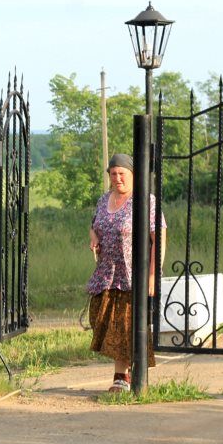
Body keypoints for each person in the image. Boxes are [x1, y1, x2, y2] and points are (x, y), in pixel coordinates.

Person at [87, 153, 166, 392]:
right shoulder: (104, 200)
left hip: (132, 276)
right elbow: (94, 225)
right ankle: (125, 373)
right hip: (106, 274)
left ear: (133, 175)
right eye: (113, 174)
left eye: (122, 173)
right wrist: (93, 237)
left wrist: (153, 274)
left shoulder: (145, 201)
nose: (117, 178)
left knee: (124, 327)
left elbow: (158, 236)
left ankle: (123, 376)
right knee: (102, 321)